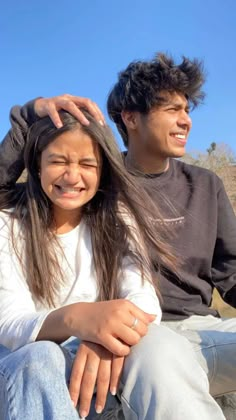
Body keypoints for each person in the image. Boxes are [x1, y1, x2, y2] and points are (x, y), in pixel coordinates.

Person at [1, 53, 236, 419]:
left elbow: (228, 271)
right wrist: (28, 115)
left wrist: (111, 330)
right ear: (130, 117)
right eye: (172, 109)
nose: (186, 120)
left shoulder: (198, 186)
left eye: (187, 109)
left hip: (163, 328)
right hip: (113, 337)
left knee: (157, 345)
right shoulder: (103, 189)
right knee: (46, 356)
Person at [0, 108, 179, 420]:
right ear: (37, 166)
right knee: (39, 357)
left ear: (102, 171)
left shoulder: (118, 219)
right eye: (58, 161)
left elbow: (144, 298)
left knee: (160, 344)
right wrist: (78, 319)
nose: (72, 176)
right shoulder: (8, 223)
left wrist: (106, 337)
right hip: (20, 368)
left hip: (92, 358)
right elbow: (8, 323)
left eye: (87, 164)